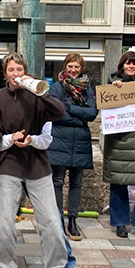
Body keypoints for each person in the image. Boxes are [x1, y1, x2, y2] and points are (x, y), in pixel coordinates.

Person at [0, 52, 71, 268]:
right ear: (5, 73)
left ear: (26, 72)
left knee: (51, 220)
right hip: (10, 163)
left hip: (38, 164)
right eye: (11, 70)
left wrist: (41, 92)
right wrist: (2, 138)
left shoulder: (37, 96)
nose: (16, 75)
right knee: (3, 223)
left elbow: (60, 112)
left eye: (19, 70)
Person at [103, 51, 135, 241]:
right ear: (122, 65)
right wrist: (115, 90)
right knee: (118, 184)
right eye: (128, 63)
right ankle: (120, 223)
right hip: (119, 143)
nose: (131, 66)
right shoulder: (112, 84)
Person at [48, 53, 98, 241]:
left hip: (80, 143)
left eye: (77, 66)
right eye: (70, 66)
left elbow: (92, 113)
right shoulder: (56, 87)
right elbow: (55, 112)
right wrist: (79, 116)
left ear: (81, 68)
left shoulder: (87, 88)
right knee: (57, 182)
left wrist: (69, 109)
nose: (73, 70)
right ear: (65, 66)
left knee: (77, 183)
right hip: (59, 140)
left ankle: (73, 220)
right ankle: (58, 219)